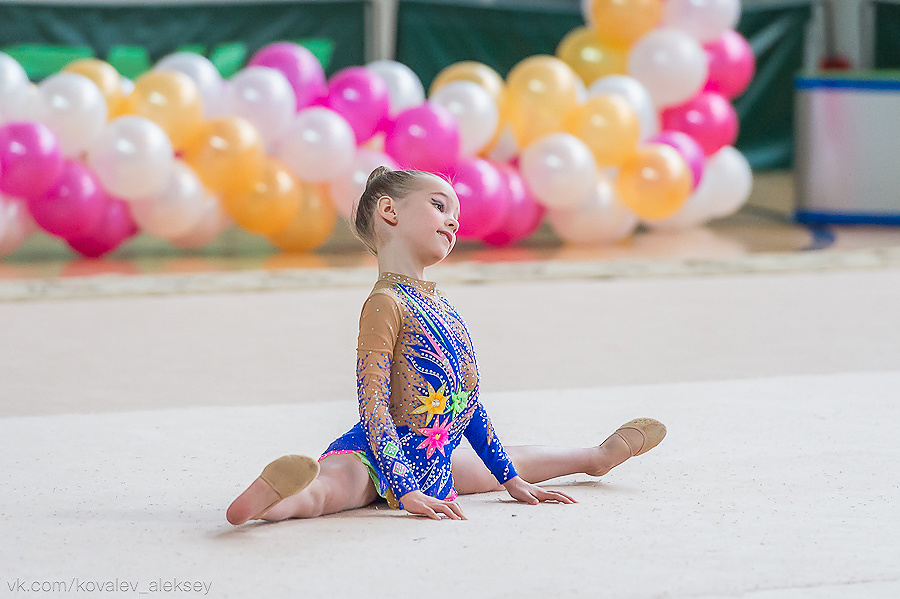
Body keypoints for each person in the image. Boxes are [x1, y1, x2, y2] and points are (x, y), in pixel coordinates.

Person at [226, 167, 666, 524]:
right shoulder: (386, 302)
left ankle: (596, 457)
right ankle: (267, 503)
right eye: (439, 206)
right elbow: (373, 401)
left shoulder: (442, 306)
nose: (453, 221)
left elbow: (466, 403)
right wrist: (404, 486)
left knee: (519, 459)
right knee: (333, 488)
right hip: (379, 454)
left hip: (437, 455)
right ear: (389, 212)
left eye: (455, 214)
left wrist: (511, 480)